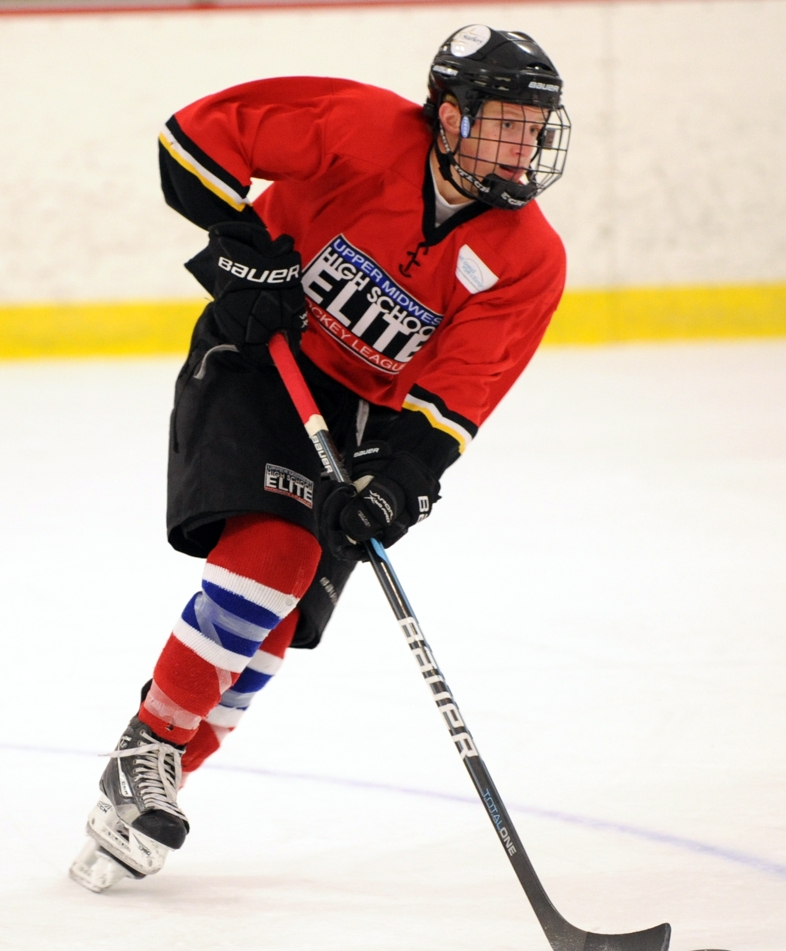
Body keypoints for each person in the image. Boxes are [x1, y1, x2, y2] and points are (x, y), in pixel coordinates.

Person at [69, 24, 570, 893]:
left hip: (363, 418)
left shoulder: (528, 257)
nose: (525, 145)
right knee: (276, 555)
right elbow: (192, 139)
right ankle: (148, 746)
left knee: (272, 630)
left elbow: (455, 399)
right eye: (507, 122)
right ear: (449, 117)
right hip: (262, 357)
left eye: (536, 127)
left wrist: (397, 487)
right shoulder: (360, 129)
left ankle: (144, 797)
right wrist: (242, 253)